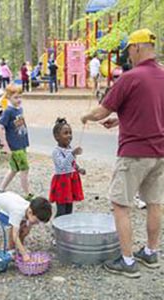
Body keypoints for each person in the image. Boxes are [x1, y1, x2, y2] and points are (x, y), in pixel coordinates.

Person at [81, 28, 164, 278]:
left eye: (129, 49)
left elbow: (100, 111)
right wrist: (121, 120)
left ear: (137, 47)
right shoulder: (162, 75)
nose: (128, 54)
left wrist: (86, 116)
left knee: (120, 204)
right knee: (154, 203)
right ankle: (151, 252)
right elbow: (153, 110)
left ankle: (127, 262)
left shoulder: (130, 77)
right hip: (159, 153)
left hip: (134, 153)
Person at [0, 84, 33, 200]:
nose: (19, 100)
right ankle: (27, 194)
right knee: (24, 169)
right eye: (16, 97)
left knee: (14, 169)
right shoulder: (8, 111)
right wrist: (5, 145)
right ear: (9, 97)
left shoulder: (19, 109)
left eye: (20, 96)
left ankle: (0, 189)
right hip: (15, 146)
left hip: (21, 144)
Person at [0, 191, 52, 261]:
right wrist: (24, 254)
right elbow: (15, 234)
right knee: (14, 227)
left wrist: (28, 228)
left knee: (24, 229)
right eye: (37, 221)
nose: (37, 224)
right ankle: (11, 250)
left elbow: (27, 227)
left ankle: (20, 248)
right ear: (30, 212)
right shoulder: (17, 212)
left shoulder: (31, 209)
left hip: (8, 200)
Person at [49, 118, 85, 217]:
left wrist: (78, 169)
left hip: (71, 180)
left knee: (69, 209)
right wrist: (73, 154)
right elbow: (62, 165)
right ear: (57, 137)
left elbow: (71, 163)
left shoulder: (69, 149)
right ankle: (57, 228)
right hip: (62, 183)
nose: (69, 135)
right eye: (65, 133)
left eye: (70, 133)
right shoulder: (56, 151)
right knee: (61, 210)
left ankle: (66, 228)